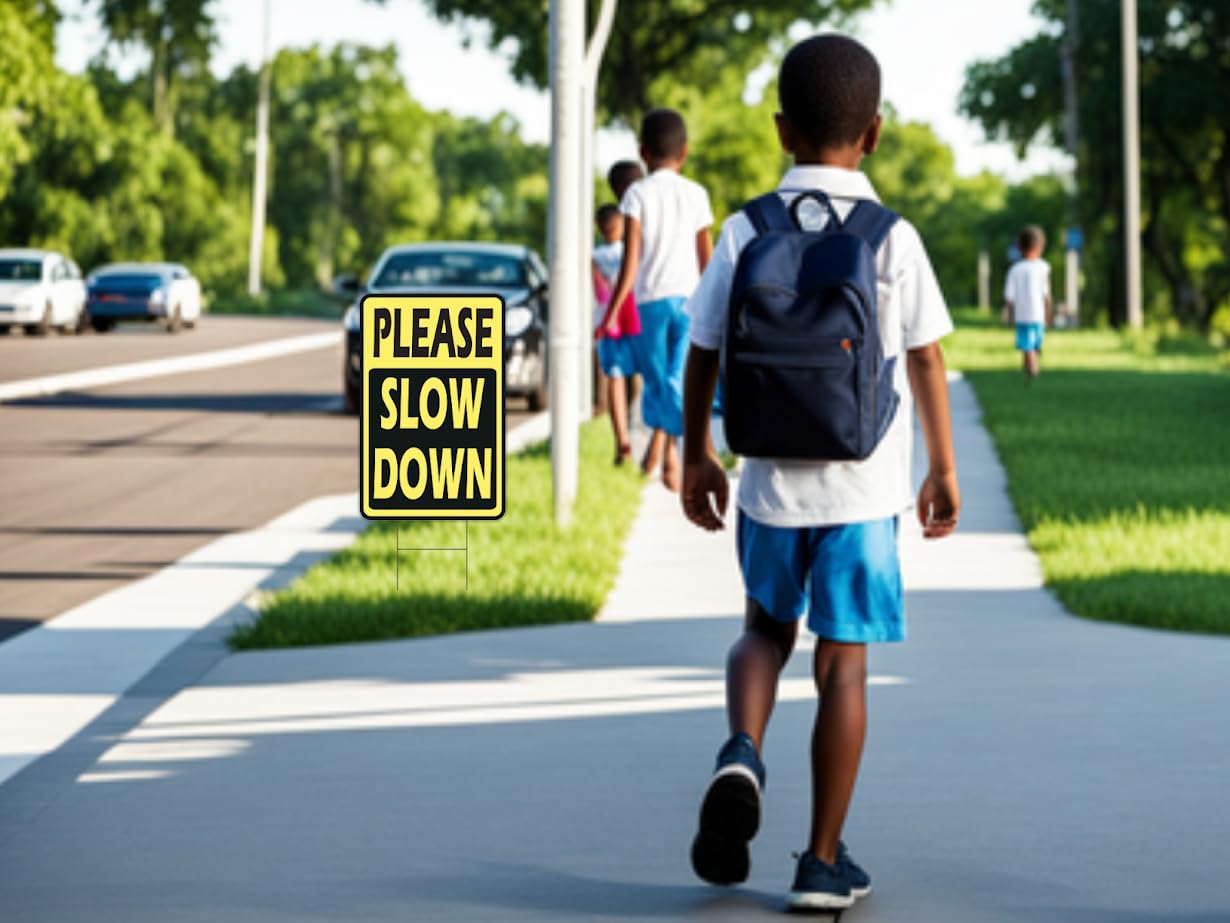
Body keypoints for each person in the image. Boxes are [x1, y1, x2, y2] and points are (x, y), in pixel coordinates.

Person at [679, 33, 960, 911]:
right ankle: (822, 860)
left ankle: (741, 751)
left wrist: (696, 453)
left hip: (768, 484)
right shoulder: (892, 237)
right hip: (864, 491)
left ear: (780, 130)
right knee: (843, 665)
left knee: (764, 629)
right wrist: (941, 469)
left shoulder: (743, 228)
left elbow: (703, 350)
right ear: (873, 133)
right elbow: (926, 361)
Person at [600, 110, 713, 492]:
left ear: (643, 152)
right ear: (684, 152)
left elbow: (630, 262)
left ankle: (679, 452)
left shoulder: (636, 194)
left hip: (649, 304)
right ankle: (673, 455)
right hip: (691, 302)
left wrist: (612, 313)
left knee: (658, 383)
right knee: (675, 380)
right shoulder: (697, 194)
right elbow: (706, 262)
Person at [592, 204, 639, 464]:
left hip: (614, 320)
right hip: (626, 318)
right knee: (625, 378)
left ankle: (624, 437)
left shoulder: (596, 256)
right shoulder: (627, 251)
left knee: (618, 378)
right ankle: (625, 437)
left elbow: (599, 291)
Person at [1003, 225, 1052, 383]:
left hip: (1021, 315)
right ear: (1040, 247)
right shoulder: (1044, 267)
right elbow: (1046, 294)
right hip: (1038, 314)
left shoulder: (1014, 269)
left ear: (1019, 247)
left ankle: (1028, 368)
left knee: (1026, 346)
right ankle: (1032, 369)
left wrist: (1009, 314)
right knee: (1034, 344)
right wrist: (1049, 313)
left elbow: (1009, 297)